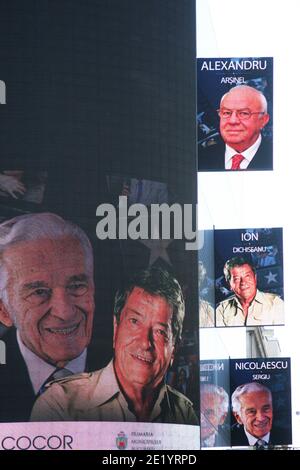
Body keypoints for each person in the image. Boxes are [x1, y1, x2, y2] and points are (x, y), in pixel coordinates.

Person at [31, 267, 199, 424]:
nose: (145, 342)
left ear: (175, 347)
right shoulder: (59, 406)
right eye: (134, 322)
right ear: (116, 327)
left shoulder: (185, 414)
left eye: (160, 332)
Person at [0, 212, 97, 422]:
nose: (64, 312)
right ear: (3, 310)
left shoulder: (139, 361)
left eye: (77, 286)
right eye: (39, 292)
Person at [198, 85, 272, 171]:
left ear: (263, 120)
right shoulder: (201, 158)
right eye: (226, 113)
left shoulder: (277, 158)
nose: (232, 121)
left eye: (244, 113)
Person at [216, 257, 284, 327]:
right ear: (229, 284)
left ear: (255, 278)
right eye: (236, 279)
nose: (243, 282)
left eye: (247, 276)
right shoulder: (222, 309)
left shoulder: (275, 304)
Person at [231, 382, 287, 447]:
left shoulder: (287, 435)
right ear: (238, 417)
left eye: (266, 409)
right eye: (252, 411)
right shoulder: (226, 439)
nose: (261, 418)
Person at [200, 383, 230, 447]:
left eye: (208, 413)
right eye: (197, 412)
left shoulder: (231, 437)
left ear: (222, 418)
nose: (200, 419)